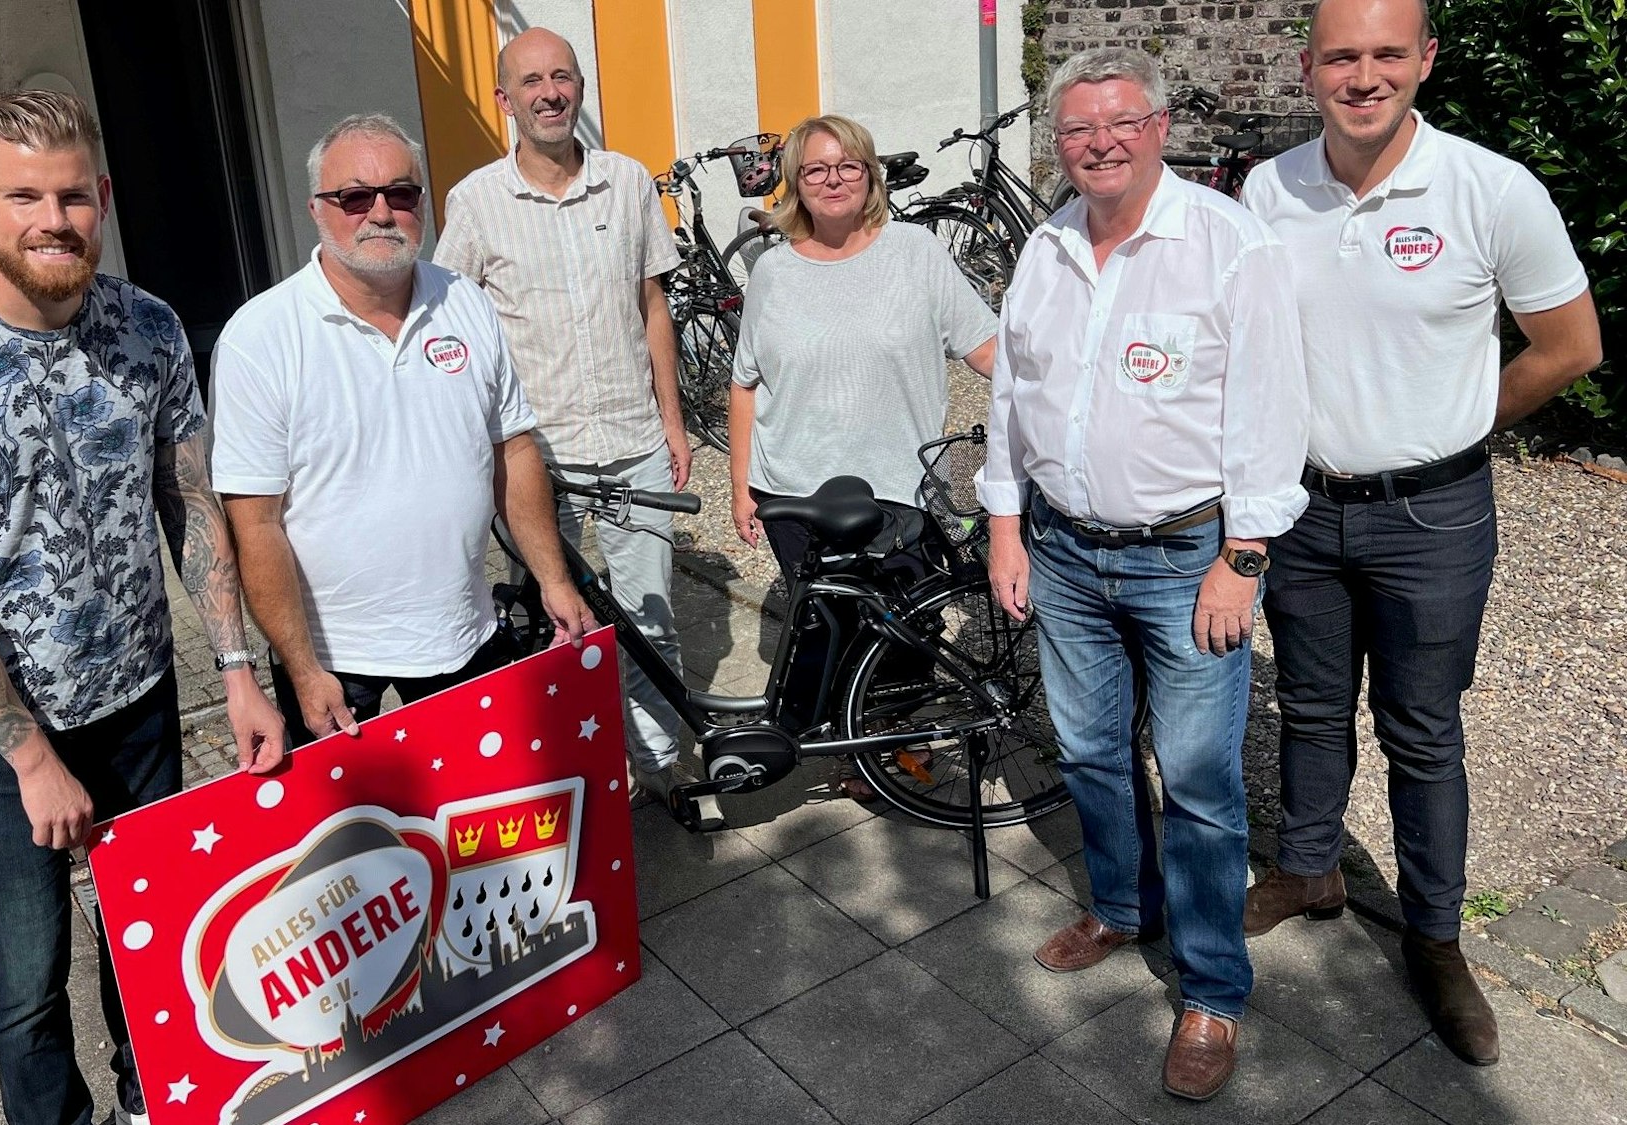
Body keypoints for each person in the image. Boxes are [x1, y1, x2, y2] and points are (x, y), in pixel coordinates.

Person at [0, 89, 286, 1125]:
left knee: (155, 937)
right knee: (25, 981)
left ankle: (158, 1101)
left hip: (136, 702)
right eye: (24, 196)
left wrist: (236, 671)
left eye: (73, 195)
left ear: (103, 196)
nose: (53, 218)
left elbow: (190, 511)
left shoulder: (147, 328)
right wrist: (31, 758)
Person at [1242, 0, 1602, 1067]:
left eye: (1386, 53)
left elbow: (1568, 344)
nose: (1362, 76)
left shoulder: (1490, 189)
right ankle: (1307, 868)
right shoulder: (1269, 189)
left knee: (1420, 730)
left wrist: (1454, 425)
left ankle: (1435, 939)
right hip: (1301, 508)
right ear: (1307, 68)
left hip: (1431, 516)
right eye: (1341, 56)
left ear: (1425, 60)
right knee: (1307, 705)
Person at [977, 48, 1309, 1101]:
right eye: (1077, 130)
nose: (1099, 144)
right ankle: (1120, 909)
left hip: (1185, 559)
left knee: (1201, 785)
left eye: (1120, 123)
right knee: (1085, 750)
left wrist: (1240, 560)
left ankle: (1211, 990)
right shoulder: (1044, 246)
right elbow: (1009, 400)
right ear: (1059, 144)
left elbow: (1269, 414)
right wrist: (1003, 526)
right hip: (1064, 550)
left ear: (1159, 126)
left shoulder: (1226, 246)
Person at [212, 113, 592, 748]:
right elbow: (255, 523)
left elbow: (514, 451)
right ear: (316, 209)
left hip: (464, 632)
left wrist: (552, 577)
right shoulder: (261, 336)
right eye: (355, 196)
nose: (381, 212)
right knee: (358, 840)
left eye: (401, 193)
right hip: (335, 656)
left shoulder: (465, 301)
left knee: (480, 829)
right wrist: (303, 671)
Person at [435, 28, 701, 809]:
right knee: (551, 630)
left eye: (563, 77)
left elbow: (653, 304)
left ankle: (658, 770)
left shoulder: (625, 182)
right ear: (504, 99)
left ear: (579, 88)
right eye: (532, 81)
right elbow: (455, 323)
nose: (550, 93)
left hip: (631, 440)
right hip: (534, 462)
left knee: (651, 618)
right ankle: (571, 779)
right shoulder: (476, 201)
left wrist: (674, 420)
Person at [727, 112, 997, 786]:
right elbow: (743, 383)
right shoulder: (773, 272)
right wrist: (740, 486)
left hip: (897, 483)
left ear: (870, 174)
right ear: (795, 184)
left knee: (907, 626)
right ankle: (849, 751)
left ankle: (903, 740)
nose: (834, 179)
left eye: (848, 165)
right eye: (816, 168)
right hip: (796, 487)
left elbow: (986, 346)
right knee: (824, 624)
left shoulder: (915, 252)